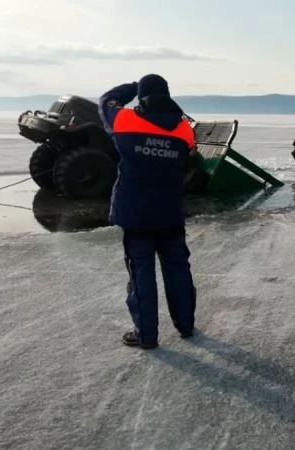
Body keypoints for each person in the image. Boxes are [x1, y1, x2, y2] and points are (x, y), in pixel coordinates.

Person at [99, 74, 197, 349]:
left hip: (135, 212)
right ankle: (186, 326)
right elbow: (188, 159)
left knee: (141, 272)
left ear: (142, 96)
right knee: (178, 268)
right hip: (170, 212)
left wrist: (131, 88)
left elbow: (106, 100)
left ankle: (147, 335)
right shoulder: (184, 129)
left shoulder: (125, 120)